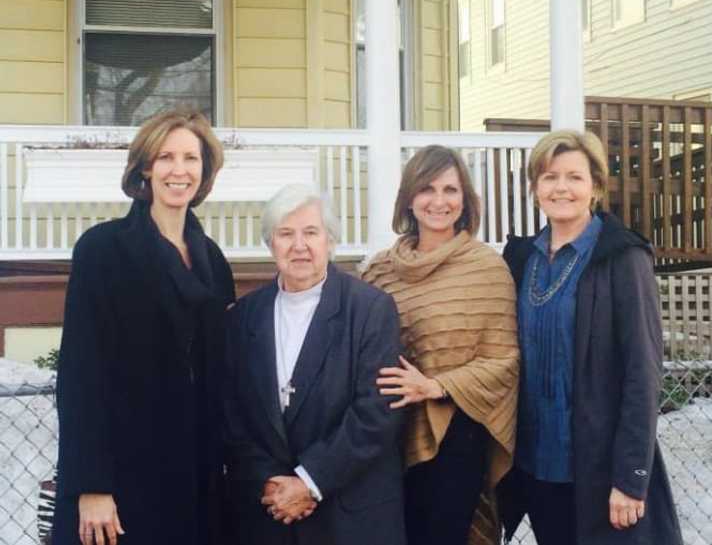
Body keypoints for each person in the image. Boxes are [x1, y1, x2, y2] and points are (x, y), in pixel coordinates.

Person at [53, 109, 236, 545]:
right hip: (121, 480)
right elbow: (80, 376)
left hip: (195, 480)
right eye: (166, 157)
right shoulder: (103, 251)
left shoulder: (213, 260)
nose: (179, 170)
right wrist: (91, 485)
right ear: (146, 168)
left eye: (191, 159)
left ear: (205, 170)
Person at [497, 130, 683, 545]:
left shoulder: (621, 257)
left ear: (595, 186)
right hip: (535, 466)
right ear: (535, 188)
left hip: (599, 472)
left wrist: (632, 477)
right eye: (549, 177)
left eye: (574, 177)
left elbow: (643, 371)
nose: (561, 187)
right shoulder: (521, 259)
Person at [224, 184, 406, 545]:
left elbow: (376, 412)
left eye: (311, 232)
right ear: (270, 244)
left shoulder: (370, 310)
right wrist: (271, 483)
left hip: (350, 518)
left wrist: (309, 481)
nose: (299, 246)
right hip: (269, 516)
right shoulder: (244, 317)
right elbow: (233, 416)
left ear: (330, 241)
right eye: (285, 234)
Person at [361, 145, 519, 545]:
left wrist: (435, 386)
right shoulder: (378, 270)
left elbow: (505, 360)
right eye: (427, 189)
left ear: (465, 199)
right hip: (385, 436)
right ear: (409, 199)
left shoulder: (486, 267)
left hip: (456, 438)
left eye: (450, 190)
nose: (439, 201)